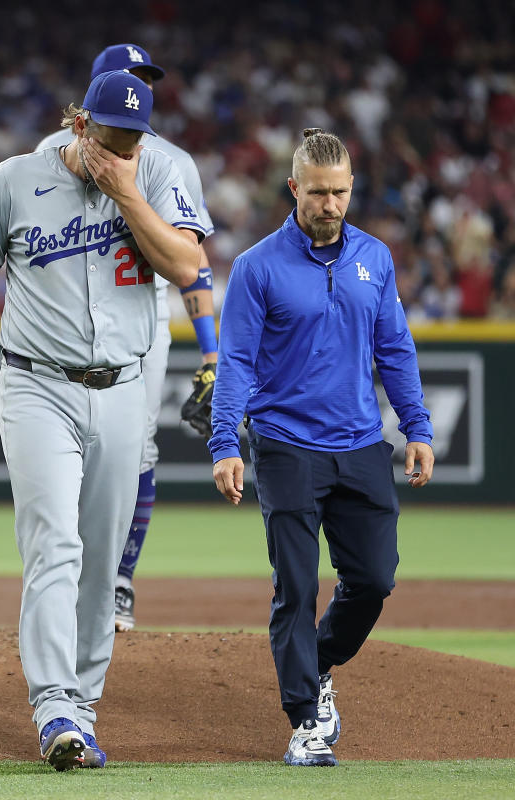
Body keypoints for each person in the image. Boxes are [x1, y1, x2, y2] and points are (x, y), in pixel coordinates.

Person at [0, 70, 203, 769]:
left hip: (123, 390)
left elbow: (189, 263)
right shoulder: (17, 179)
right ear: (82, 125)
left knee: (102, 564)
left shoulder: (154, 175)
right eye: (114, 136)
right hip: (37, 387)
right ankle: (53, 706)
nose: (127, 147)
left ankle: (82, 706)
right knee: (56, 545)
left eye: (136, 137)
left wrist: (130, 196)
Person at [209, 128, 435, 766]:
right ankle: (306, 720)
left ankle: (322, 659)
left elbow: (394, 347)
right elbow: (236, 364)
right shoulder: (257, 267)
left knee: (374, 579)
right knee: (296, 586)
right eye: (317, 193)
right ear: (293, 189)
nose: (329, 205)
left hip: (362, 443)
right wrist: (226, 442)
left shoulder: (376, 258)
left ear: (351, 189)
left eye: (339, 193)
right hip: (284, 445)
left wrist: (416, 427)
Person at [35, 44, 218, 631]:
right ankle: (68, 580)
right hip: (62, 332)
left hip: (139, 329)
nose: (138, 88)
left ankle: (117, 582)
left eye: (145, 80)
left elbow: (195, 263)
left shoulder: (168, 162)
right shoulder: (48, 156)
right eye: (126, 79)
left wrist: (211, 349)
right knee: (64, 463)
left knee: (135, 453)